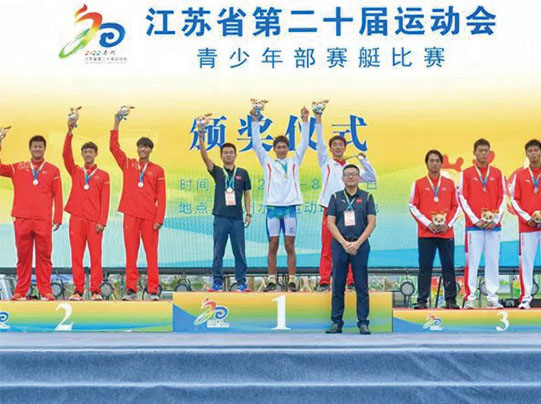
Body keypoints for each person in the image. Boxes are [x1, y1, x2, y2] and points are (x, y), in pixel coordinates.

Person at [315, 110, 376, 292]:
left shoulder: (352, 168)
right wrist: (318, 118)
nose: (338, 148)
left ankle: (351, 281)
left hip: (351, 210)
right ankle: (324, 281)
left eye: (341, 145)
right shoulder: (326, 162)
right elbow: (319, 142)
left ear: (345, 148)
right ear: (330, 148)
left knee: (351, 244)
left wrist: (364, 161)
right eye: (334, 145)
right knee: (328, 247)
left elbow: (371, 177)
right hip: (331, 210)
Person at [251, 105, 309, 292]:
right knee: (273, 245)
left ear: (288, 148)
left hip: (290, 209)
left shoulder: (294, 161)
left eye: (284, 147)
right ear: (274, 149)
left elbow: (304, 144)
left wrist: (305, 121)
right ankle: (271, 280)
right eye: (278, 147)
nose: (282, 149)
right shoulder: (267, 161)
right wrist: (255, 121)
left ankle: (292, 280)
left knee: (289, 245)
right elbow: (256, 145)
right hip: (272, 209)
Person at [0, 128, 62, 301]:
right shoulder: (18, 167)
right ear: (30, 149)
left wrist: (57, 217)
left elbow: (58, 195)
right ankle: (20, 291)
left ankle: (45, 291)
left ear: (44, 149)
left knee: (45, 257)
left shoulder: (53, 170)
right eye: (35, 146)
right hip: (22, 218)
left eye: (40, 146)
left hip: (43, 220)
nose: (37, 149)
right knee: (23, 257)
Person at [110, 109, 165, 301]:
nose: (143, 150)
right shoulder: (128, 164)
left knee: (151, 255)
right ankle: (131, 290)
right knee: (131, 254)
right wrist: (116, 123)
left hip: (150, 217)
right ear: (137, 149)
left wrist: (159, 218)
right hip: (131, 215)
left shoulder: (158, 170)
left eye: (146, 147)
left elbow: (162, 197)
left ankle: (152, 291)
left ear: (150, 150)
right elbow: (113, 148)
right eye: (140, 147)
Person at [198, 129, 252, 292]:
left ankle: (241, 282)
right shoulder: (217, 171)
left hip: (237, 219)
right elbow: (205, 157)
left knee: (239, 252)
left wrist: (249, 213)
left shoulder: (242, 173)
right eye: (225, 153)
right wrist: (200, 137)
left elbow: (247, 193)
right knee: (218, 252)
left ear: (235, 155)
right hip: (220, 217)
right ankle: (217, 282)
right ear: (221, 156)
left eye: (231, 152)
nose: (228, 155)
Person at [63, 114, 110, 301]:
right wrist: (69, 132)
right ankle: (78, 290)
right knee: (76, 256)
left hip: (94, 221)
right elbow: (66, 155)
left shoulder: (103, 175)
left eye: (91, 152)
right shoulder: (76, 171)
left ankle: (96, 290)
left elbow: (105, 200)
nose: (88, 154)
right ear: (82, 154)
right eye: (85, 152)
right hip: (76, 218)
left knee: (96, 256)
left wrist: (102, 221)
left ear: (96, 154)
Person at [325, 164, 376, 335]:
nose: (351, 177)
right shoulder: (335, 197)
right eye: (347, 174)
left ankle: (363, 322)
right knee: (338, 284)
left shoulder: (367, 197)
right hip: (340, 246)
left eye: (354, 174)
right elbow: (330, 222)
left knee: (361, 285)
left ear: (359, 177)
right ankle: (336, 322)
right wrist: (344, 243)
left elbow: (372, 223)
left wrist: (357, 243)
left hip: (360, 245)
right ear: (342, 178)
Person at [409, 150, 460, 309]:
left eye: (437, 161)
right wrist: (427, 224)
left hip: (446, 233)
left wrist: (447, 224)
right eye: (431, 161)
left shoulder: (450, 183)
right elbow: (412, 206)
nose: (434, 163)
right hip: (426, 233)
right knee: (425, 267)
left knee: (448, 266)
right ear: (426, 163)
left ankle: (451, 300)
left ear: (441, 164)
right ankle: (422, 300)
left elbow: (456, 206)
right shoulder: (418, 183)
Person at [458, 138, 506, 309]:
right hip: (474, 227)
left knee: (493, 261)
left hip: (494, 227)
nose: (483, 154)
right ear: (474, 153)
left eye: (486, 151)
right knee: (472, 262)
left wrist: (495, 219)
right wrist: (475, 220)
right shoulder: (466, 173)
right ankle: (470, 298)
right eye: (480, 151)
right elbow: (462, 197)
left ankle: (492, 297)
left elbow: (503, 197)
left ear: (490, 153)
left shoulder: (498, 173)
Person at [510, 139, 541, 309]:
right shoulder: (520, 175)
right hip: (527, 227)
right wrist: (527, 217)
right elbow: (514, 200)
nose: (533, 153)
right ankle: (526, 298)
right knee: (526, 263)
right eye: (530, 151)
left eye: (536, 150)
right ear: (526, 154)